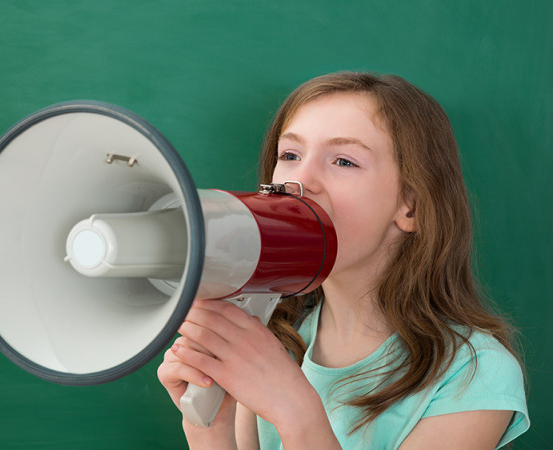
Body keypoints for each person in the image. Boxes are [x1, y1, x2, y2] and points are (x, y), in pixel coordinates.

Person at [157, 71, 529, 449]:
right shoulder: (272, 341)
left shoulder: (475, 374)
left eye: (344, 161)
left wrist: (294, 409)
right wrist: (210, 429)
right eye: (289, 155)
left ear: (411, 207)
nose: (298, 181)